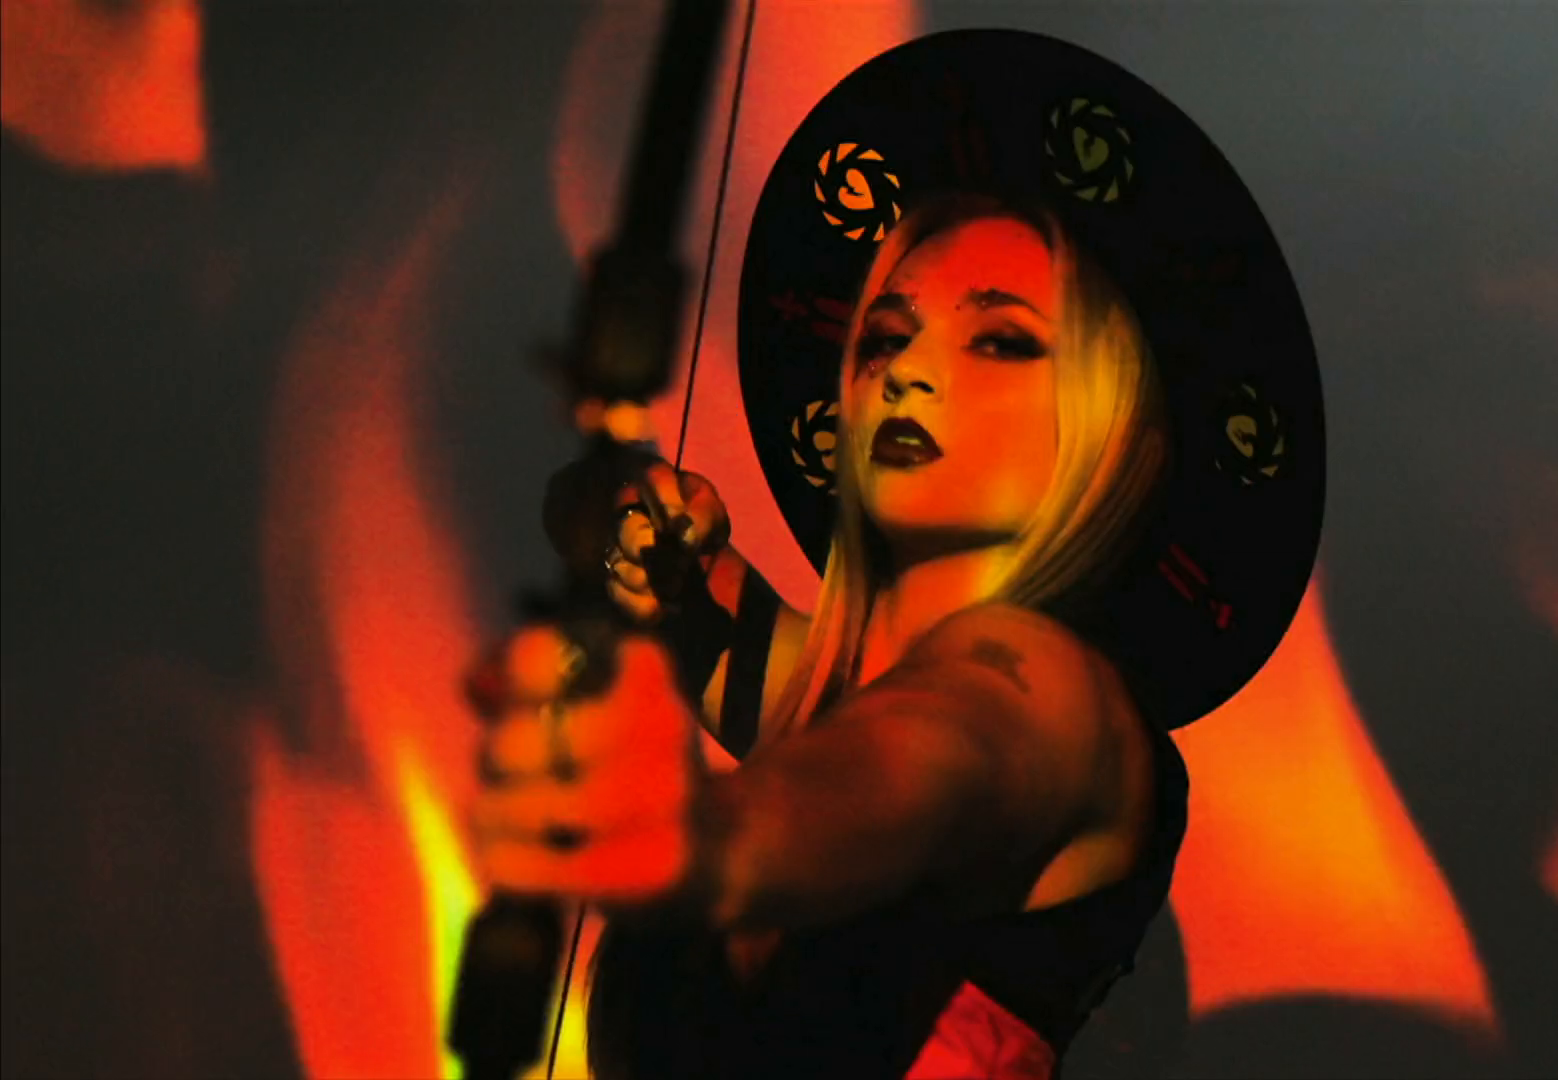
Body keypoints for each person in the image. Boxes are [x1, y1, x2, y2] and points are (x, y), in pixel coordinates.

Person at [468, 29, 1324, 1080]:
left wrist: (713, 838)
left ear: (1119, 429)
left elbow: (930, 755)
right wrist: (642, 520)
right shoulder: (804, 689)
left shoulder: (1051, 696)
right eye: (884, 335)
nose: (909, 371)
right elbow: (580, 502)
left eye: (1001, 340)